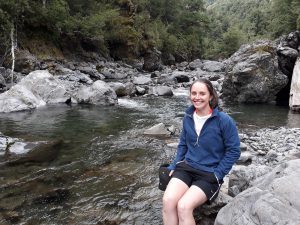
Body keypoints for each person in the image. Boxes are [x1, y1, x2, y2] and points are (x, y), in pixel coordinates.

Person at [162, 78, 240, 225]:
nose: (197, 97)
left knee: (183, 207)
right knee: (168, 201)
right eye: (194, 93)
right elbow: (183, 145)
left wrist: (218, 174)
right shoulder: (188, 117)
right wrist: (173, 165)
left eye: (202, 93)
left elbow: (234, 151)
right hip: (187, 167)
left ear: (211, 96)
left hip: (209, 173)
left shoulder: (223, 120)